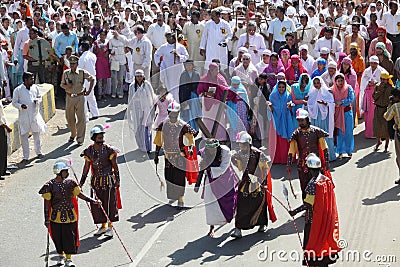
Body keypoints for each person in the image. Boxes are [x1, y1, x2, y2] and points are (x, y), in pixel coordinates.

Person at [39, 160, 101, 267]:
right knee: (58, 238)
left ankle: (68, 259)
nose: (67, 173)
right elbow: (47, 205)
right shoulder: (50, 186)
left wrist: (93, 201)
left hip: (70, 216)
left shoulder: (71, 184)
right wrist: (46, 219)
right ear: (59, 172)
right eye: (65, 171)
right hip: (56, 217)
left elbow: (80, 195)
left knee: (69, 238)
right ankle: (60, 257)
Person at [289, 153, 341, 266]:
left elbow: (308, 204)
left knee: (312, 242)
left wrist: (295, 211)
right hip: (326, 218)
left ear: (309, 169)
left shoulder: (313, 184)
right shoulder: (326, 179)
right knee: (324, 241)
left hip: (314, 220)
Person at [231, 131, 276, 238]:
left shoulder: (258, 154)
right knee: (241, 204)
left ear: (248, 144)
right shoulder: (240, 154)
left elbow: (264, 169)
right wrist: (234, 159)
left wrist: (264, 184)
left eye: (243, 144)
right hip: (245, 182)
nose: (241, 146)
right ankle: (238, 229)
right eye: (240, 144)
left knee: (259, 203)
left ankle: (262, 224)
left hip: (258, 183)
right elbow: (240, 167)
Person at [154, 101, 198, 208]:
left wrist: (191, 149)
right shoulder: (163, 125)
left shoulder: (183, 126)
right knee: (169, 177)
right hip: (168, 156)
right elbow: (159, 141)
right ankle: (173, 195)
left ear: (178, 113)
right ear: (168, 112)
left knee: (179, 177)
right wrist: (156, 155)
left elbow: (191, 139)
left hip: (180, 156)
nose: (173, 115)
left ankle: (180, 198)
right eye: (171, 113)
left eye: (175, 113)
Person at [79, 125, 121, 237]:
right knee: (97, 204)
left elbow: (115, 166)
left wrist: (118, 180)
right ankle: (103, 226)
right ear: (94, 138)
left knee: (109, 203)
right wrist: (81, 182)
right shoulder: (88, 151)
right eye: (99, 137)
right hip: (96, 182)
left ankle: (110, 227)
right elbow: (86, 167)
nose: (101, 139)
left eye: (102, 137)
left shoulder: (109, 150)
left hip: (108, 181)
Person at [199, 138, 239, 237]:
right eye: (210, 150)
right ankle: (211, 228)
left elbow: (223, 168)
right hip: (211, 179)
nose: (212, 151)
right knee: (210, 203)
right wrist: (200, 164)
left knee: (231, 201)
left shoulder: (225, 152)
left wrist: (208, 167)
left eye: (214, 149)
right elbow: (198, 160)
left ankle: (237, 225)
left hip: (226, 179)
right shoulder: (204, 152)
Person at [287, 109, 330, 199]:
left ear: (307, 119)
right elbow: (291, 151)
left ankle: (318, 209)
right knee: (304, 187)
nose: (300, 122)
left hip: (316, 165)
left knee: (318, 186)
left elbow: (324, 148)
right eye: (299, 120)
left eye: (302, 120)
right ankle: (307, 210)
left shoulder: (316, 131)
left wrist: (326, 162)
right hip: (302, 165)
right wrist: (289, 165)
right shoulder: (296, 134)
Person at [60, 55, 95, 146]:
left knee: (81, 118)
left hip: (79, 97)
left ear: (77, 64)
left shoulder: (82, 72)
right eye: (71, 63)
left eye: (74, 64)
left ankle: (80, 139)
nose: (72, 65)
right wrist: (66, 86)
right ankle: (73, 133)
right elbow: (62, 85)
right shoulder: (66, 73)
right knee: (69, 118)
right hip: (69, 97)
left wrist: (89, 90)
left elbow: (92, 79)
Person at [12, 72, 46, 163]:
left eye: (33, 79)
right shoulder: (18, 90)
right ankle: (25, 157)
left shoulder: (35, 88)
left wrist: (37, 101)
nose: (33, 80)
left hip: (34, 115)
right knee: (24, 136)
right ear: (25, 80)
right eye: (31, 79)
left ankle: (38, 152)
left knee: (36, 134)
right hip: (24, 116)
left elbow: (39, 97)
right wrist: (20, 106)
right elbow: (14, 103)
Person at [307, 77, 336, 161]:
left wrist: (325, 103)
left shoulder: (327, 92)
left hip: (324, 117)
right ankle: (318, 156)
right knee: (316, 136)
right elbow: (309, 104)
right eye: (315, 83)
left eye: (318, 83)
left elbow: (332, 104)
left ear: (321, 83)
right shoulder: (311, 93)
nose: (316, 85)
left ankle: (329, 155)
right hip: (315, 117)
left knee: (325, 135)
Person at [154, 31, 189, 101]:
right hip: (168, 71)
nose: (168, 39)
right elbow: (156, 54)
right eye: (167, 37)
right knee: (169, 87)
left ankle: (178, 103)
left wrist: (178, 55)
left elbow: (186, 56)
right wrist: (159, 63)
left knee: (178, 87)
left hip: (178, 71)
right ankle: (170, 103)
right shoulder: (164, 47)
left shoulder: (180, 47)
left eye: (169, 37)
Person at [127, 69, 156, 153]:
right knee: (138, 127)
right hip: (137, 109)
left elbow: (151, 96)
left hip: (147, 108)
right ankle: (140, 145)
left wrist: (152, 108)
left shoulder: (147, 85)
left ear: (143, 76)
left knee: (147, 127)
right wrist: (130, 109)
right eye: (137, 76)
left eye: (140, 76)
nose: (139, 78)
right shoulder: (132, 86)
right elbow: (130, 98)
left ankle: (148, 146)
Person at [269, 80, 295, 164]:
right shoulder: (272, 96)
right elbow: (270, 109)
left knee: (285, 139)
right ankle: (276, 159)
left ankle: (286, 158)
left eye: (283, 87)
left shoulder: (288, 95)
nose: (281, 89)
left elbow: (291, 108)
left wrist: (290, 107)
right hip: (276, 120)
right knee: (276, 139)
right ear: (277, 87)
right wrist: (270, 108)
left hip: (286, 120)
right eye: (279, 87)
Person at [360, 56, 385, 139]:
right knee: (367, 113)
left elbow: (384, 82)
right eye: (372, 63)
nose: (373, 65)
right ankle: (368, 132)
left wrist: (375, 83)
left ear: (377, 63)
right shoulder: (367, 71)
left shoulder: (381, 71)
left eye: (375, 63)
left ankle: (375, 133)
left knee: (375, 114)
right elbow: (363, 81)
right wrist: (368, 82)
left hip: (377, 95)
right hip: (368, 95)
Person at [332, 73, 355, 158]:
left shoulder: (348, 88)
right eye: (338, 81)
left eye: (342, 80)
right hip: (337, 114)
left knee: (348, 132)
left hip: (347, 113)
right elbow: (330, 99)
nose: (340, 82)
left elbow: (351, 99)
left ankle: (349, 150)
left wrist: (341, 102)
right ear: (336, 81)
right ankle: (340, 151)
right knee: (339, 132)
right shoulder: (332, 90)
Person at [78, 41, 99, 122]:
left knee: (84, 98)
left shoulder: (82, 58)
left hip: (86, 79)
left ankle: (85, 117)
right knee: (91, 96)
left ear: (82, 48)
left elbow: (79, 69)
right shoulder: (93, 55)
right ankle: (95, 113)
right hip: (93, 77)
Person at [373, 71, 393, 152]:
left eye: (385, 79)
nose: (383, 81)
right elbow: (374, 96)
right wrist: (380, 90)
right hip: (378, 108)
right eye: (382, 79)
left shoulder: (391, 88)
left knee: (386, 128)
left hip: (386, 109)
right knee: (377, 126)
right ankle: (378, 142)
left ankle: (386, 145)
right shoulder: (377, 86)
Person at [178, 60, 201, 131]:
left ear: (192, 65)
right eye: (187, 65)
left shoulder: (196, 74)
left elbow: (198, 86)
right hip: (185, 96)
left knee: (195, 113)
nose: (188, 66)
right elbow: (181, 87)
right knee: (186, 113)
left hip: (194, 97)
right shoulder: (183, 74)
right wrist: (181, 99)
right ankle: (187, 128)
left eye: (190, 65)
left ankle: (195, 128)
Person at [384, 88, 400, 184]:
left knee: (399, 156)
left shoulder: (395, 107)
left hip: (398, 133)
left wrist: (390, 104)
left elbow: (387, 117)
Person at [93, 30, 111, 100]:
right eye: (101, 35)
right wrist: (98, 50)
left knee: (105, 78)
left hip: (105, 61)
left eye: (104, 35)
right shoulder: (96, 42)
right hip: (99, 61)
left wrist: (108, 53)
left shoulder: (108, 42)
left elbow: (110, 50)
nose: (102, 36)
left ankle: (104, 92)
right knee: (100, 78)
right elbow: (94, 51)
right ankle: (100, 93)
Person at [0, 92, 11, 180]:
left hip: (2, 127)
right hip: (1, 127)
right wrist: (6, 127)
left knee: (4, 149)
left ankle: (3, 169)